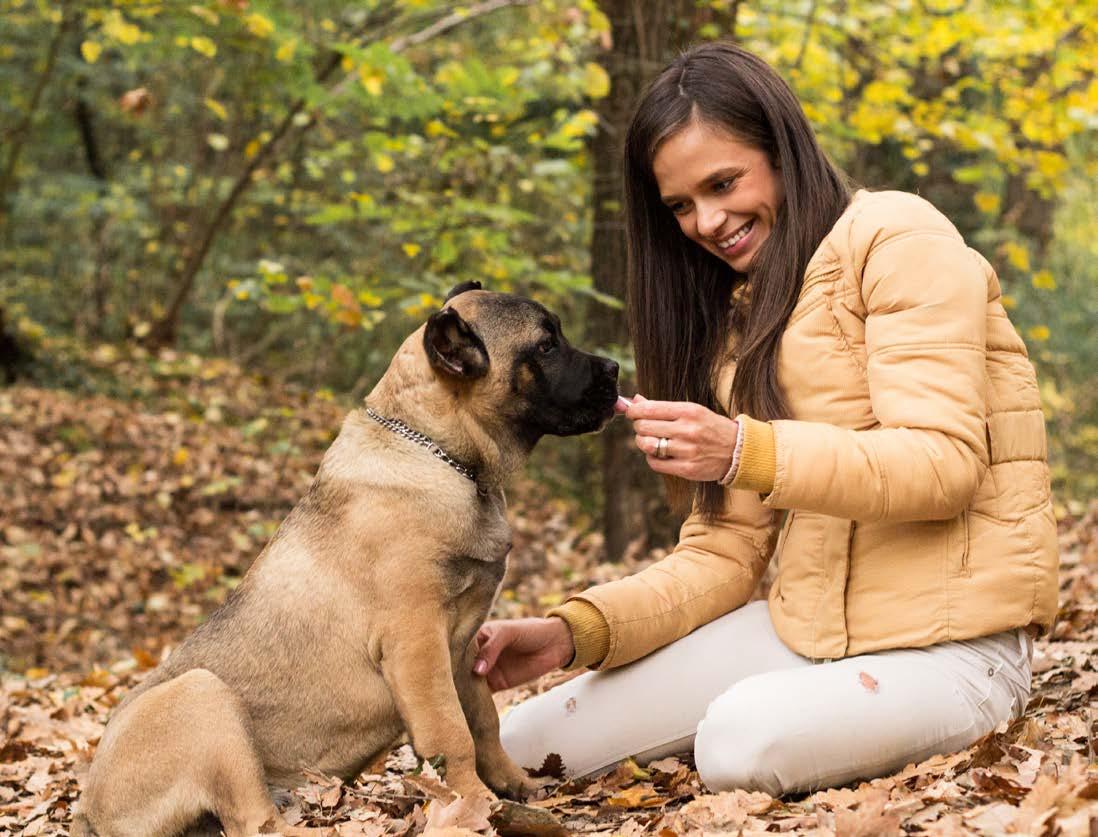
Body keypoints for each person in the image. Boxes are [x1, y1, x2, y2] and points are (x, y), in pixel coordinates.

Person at [471, 42, 1058, 797]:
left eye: (723, 183)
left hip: (956, 648)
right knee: (515, 744)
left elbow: (942, 465)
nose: (707, 221)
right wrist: (572, 634)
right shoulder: (738, 321)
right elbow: (724, 551)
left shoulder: (898, 238)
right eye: (680, 206)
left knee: (739, 739)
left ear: (783, 150)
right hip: (805, 636)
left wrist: (744, 450)